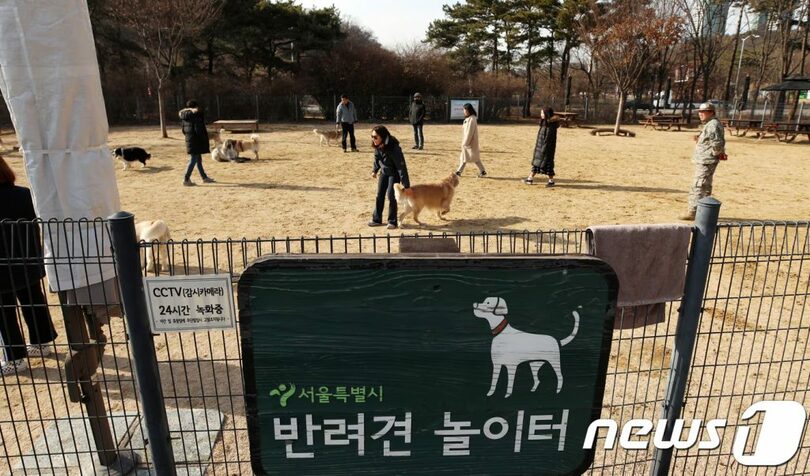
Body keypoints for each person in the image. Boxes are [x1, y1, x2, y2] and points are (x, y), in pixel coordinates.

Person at [0, 156, 58, 375]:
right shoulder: (25, 194)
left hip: (2, 268)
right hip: (28, 261)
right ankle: (42, 342)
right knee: (33, 300)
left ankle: (14, 358)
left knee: (4, 312)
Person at [681, 102, 726, 220]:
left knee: (698, 185)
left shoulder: (712, 125)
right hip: (706, 159)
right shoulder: (711, 124)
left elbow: (717, 143)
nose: (700, 114)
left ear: (711, 112)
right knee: (705, 186)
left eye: (703, 112)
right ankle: (704, 211)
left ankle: (693, 211)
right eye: (700, 112)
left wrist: (717, 153)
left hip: (706, 160)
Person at [369, 125, 410, 230]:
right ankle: (376, 219)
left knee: (391, 196)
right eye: (372, 137)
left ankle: (392, 221)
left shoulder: (394, 148)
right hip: (384, 172)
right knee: (379, 195)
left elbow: (401, 167)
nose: (373, 139)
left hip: (394, 174)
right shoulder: (377, 145)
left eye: (375, 137)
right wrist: (374, 170)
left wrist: (406, 185)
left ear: (383, 136)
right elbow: (377, 159)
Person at [179, 100, 215, 186]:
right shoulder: (196, 115)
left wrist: (189, 136)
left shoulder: (184, 115)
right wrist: (204, 139)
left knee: (198, 159)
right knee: (194, 159)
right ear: (196, 106)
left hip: (190, 139)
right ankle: (186, 179)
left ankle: (204, 177)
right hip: (196, 140)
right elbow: (199, 129)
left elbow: (183, 130)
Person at [524, 107, 559, 187]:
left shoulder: (551, 125)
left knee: (548, 165)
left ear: (547, 114)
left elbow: (548, 139)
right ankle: (530, 178)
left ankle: (550, 181)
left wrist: (544, 149)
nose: (541, 114)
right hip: (540, 148)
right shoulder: (544, 122)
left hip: (546, 149)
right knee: (537, 164)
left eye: (542, 113)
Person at [456, 103, 487, 177]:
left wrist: (466, 142)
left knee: (470, 157)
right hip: (468, 141)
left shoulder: (472, 119)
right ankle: (482, 171)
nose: (464, 111)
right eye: (464, 110)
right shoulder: (469, 118)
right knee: (469, 157)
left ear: (469, 110)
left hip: (470, 142)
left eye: (465, 110)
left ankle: (458, 172)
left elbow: (470, 132)